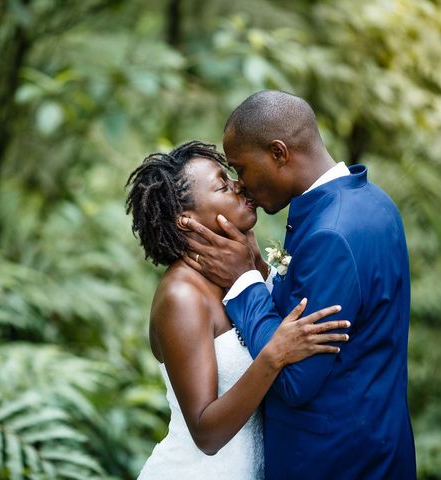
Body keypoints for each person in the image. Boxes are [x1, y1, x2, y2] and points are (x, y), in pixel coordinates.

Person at [182, 91, 416, 479]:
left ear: (278, 153)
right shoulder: (372, 202)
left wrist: (244, 282)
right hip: (378, 446)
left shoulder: (331, 234)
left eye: (241, 168)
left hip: (336, 462)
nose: (241, 185)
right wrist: (260, 269)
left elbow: (294, 380)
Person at [125, 140, 350, 479]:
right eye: (222, 184)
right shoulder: (182, 296)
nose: (239, 185)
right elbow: (206, 433)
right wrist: (273, 356)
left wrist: (256, 267)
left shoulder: (240, 275)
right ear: (185, 219)